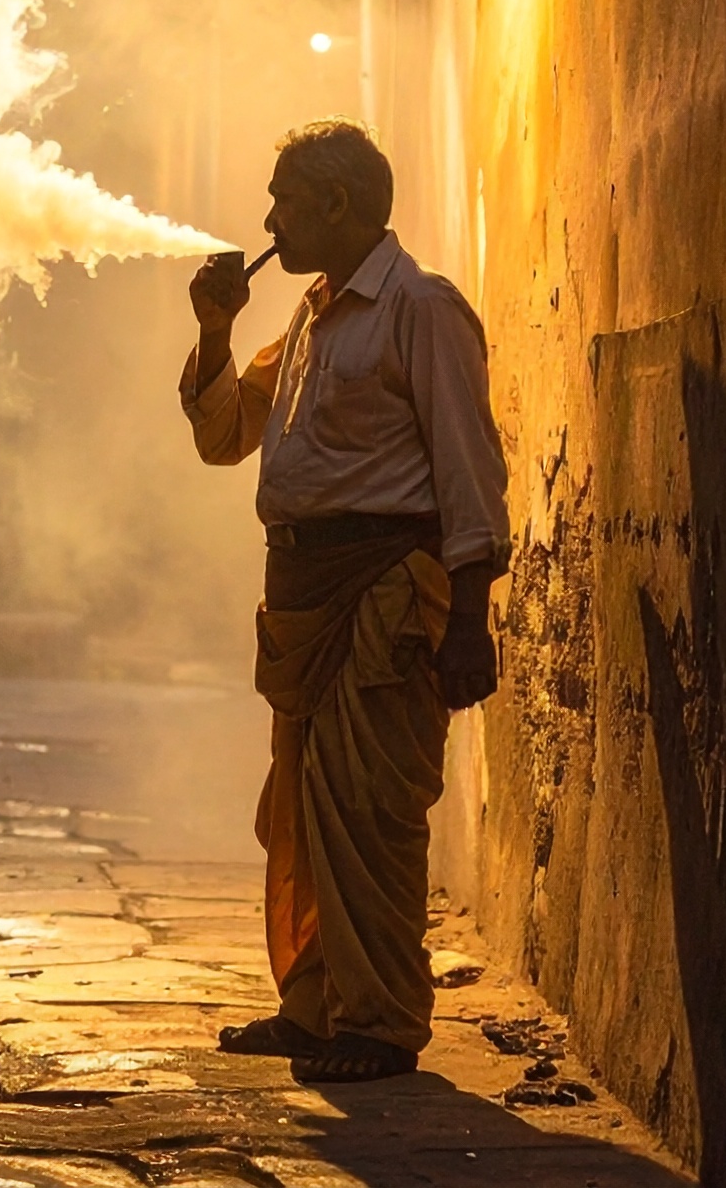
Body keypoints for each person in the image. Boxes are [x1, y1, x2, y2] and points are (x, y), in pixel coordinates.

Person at [180, 118, 510, 1084]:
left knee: (370, 814)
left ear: (336, 205)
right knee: (300, 814)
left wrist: (468, 621)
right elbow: (224, 436)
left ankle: (380, 1024)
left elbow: (471, 476)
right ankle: (317, 1006)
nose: (271, 217)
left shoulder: (422, 309)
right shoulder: (311, 319)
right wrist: (214, 328)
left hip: (383, 599)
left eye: (285, 199)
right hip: (303, 599)